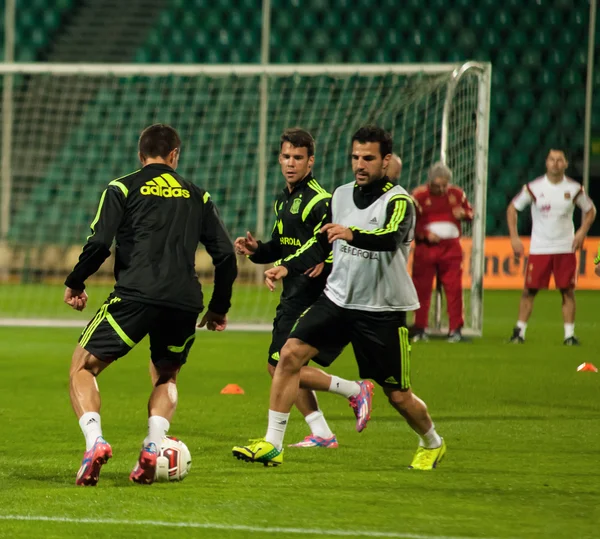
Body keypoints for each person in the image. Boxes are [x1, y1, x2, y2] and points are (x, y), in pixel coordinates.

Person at [232, 125, 446, 470]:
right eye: (355, 157)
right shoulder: (342, 196)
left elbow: (390, 237)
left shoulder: (400, 201)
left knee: (399, 396)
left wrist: (351, 232)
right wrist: (285, 266)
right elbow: (319, 243)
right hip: (337, 301)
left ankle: (431, 441)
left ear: (385, 160)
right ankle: (273, 443)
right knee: (288, 356)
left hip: (381, 310)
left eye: (368, 158)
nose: (360, 165)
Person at [64, 124, 237, 486]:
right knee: (166, 374)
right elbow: (225, 255)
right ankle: (153, 447)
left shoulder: (122, 187)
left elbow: (99, 244)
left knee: (83, 366)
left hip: (136, 295)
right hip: (185, 300)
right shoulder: (197, 195)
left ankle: (95, 443)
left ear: (140, 154)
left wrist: (76, 282)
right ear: (175, 155)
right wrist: (219, 307)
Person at [235, 128, 374, 449]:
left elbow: (329, 243)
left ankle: (353, 391)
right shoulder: (283, 200)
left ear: (310, 162)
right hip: (292, 293)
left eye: (298, 158)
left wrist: (324, 261)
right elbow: (281, 248)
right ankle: (322, 433)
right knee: (283, 366)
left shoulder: (321, 202)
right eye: (286, 157)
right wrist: (257, 250)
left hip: (314, 295)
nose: (290, 163)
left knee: (281, 365)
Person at [507, 148, 596, 345]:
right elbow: (513, 208)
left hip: (565, 247)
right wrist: (514, 237)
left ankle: (569, 336)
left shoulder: (574, 189)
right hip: (540, 248)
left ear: (565, 164)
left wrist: (582, 231)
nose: (555, 163)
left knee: (567, 291)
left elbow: (590, 210)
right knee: (529, 290)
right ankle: (519, 332)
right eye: (552, 159)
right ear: (546, 163)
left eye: (559, 160)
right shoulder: (534, 187)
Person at [410, 162, 473, 343]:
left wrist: (465, 214)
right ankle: (420, 328)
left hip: (451, 249)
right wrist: (424, 234)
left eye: (445, 185)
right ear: (430, 182)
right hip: (426, 249)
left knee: (454, 289)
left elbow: (470, 212)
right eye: (438, 185)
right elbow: (408, 223)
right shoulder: (419, 196)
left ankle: (455, 330)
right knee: (421, 289)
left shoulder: (457, 194)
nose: (442, 189)